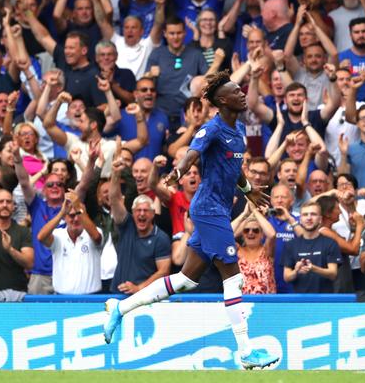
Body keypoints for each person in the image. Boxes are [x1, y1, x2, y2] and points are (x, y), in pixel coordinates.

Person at [103, 71, 279, 370]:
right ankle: (247, 352)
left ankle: (121, 309)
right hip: (209, 210)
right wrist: (177, 174)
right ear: (223, 100)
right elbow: (191, 155)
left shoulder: (236, 133)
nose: (241, 94)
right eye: (237, 91)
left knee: (185, 280)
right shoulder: (211, 129)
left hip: (218, 210)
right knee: (233, 279)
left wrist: (249, 192)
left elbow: (234, 171)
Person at [37, 189, 103, 295]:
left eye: (79, 214)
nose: (76, 219)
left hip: (91, 298)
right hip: (62, 299)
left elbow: (96, 237)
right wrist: (61, 212)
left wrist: (78, 207)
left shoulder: (94, 232)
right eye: (71, 215)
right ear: (65, 218)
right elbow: (41, 237)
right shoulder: (58, 235)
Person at [282, 200, 341, 293]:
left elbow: (333, 274)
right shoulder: (291, 245)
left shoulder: (330, 243)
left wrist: (313, 268)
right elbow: (286, 277)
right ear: (300, 219)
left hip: (324, 301)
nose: (309, 218)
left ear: (320, 219)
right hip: (299, 301)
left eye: (313, 214)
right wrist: (296, 271)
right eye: (305, 215)